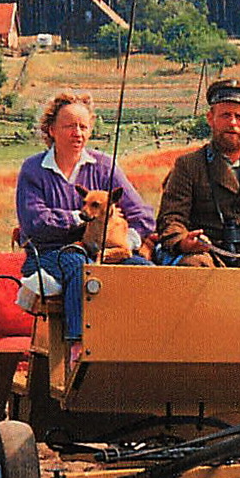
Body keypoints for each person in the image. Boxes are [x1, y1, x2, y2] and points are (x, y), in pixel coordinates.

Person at [16, 91, 155, 355]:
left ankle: (142, 348)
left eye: (83, 126)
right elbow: (35, 222)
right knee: (78, 265)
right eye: (69, 126)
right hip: (48, 254)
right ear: (51, 130)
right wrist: (79, 217)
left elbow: (143, 215)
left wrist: (126, 242)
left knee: (142, 268)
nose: (77, 133)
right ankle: (77, 348)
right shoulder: (33, 170)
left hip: (99, 251)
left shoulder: (104, 166)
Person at [156, 78, 240, 267]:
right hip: (210, 254)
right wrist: (183, 241)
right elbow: (171, 218)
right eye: (225, 115)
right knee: (194, 266)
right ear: (211, 119)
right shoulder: (189, 165)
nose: (232, 123)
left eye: (239, 117)